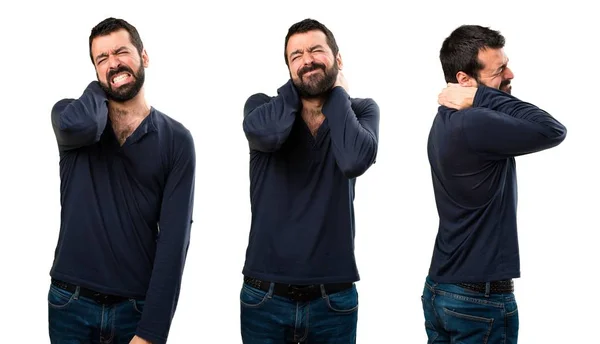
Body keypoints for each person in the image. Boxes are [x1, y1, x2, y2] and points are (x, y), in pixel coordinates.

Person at [48, 17, 195, 344]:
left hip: (135, 308)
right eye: (102, 59)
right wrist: (99, 86)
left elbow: (174, 242)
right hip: (70, 303)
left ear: (144, 56)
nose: (113, 63)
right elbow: (84, 125)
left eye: (121, 52)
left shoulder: (177, 140)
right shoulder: (70, 118)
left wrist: (151, 333)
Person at [421, 25, 567, 343]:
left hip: (442, 290)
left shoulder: (443, 121)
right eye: (499, 70)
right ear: (464, 81)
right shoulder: (475, 123)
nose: (510, 73)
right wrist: (482, 95)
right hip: (478, 301)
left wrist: (481, 93)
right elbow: (552, 129)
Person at [240, 18, 380, 344]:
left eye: (316, 50)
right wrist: (297, 90)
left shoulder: (361, 112)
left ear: (338, 59)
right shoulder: (261, 107)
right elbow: (271, 135)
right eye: (296, 56)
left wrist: (338, 96)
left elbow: (354, 159)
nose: (307, 60)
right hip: (265, 296)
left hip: (333, 299)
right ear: (287, 68)